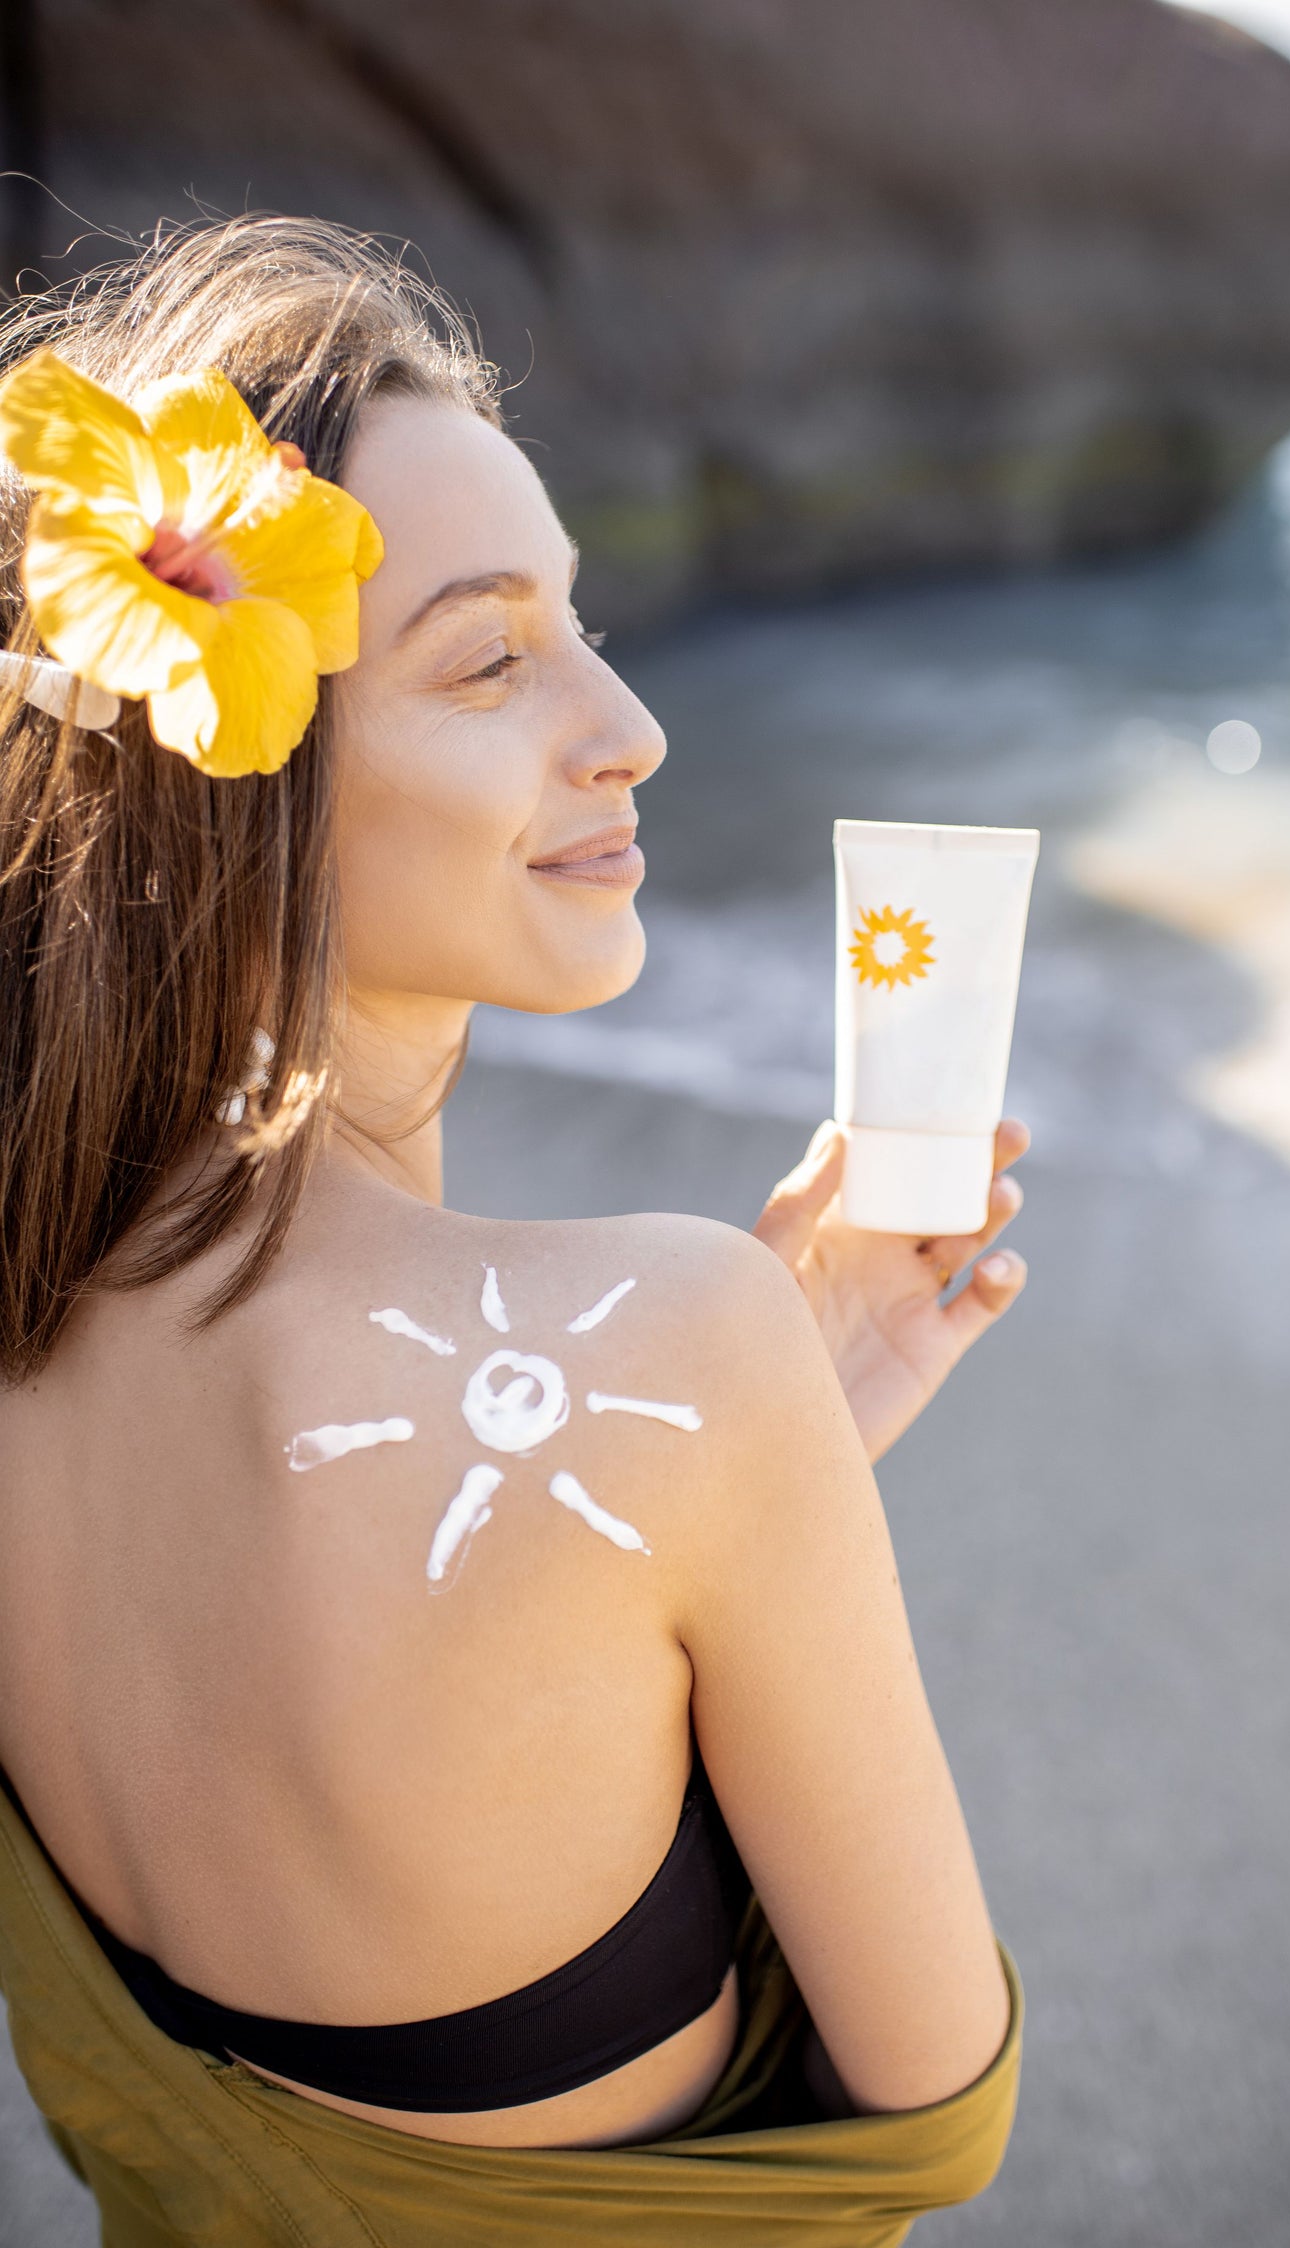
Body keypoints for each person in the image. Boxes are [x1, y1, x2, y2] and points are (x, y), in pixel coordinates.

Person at [0, 216, 1027, 2246]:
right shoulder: (688, 1343)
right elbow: (924, 2122)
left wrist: (746, 1474)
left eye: (586, 621)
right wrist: (729, 1427)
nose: (626, 724)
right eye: (490, 656)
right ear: (233, 776)